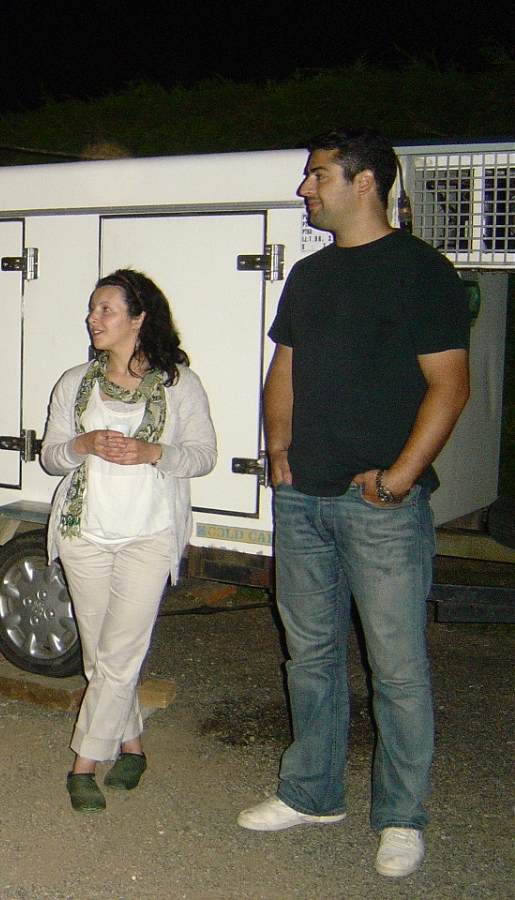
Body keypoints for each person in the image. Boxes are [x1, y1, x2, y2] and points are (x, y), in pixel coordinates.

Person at [238, 128, 471, 879]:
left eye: (318, 175)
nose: (304, 189)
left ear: (365, 180)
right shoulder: (310, 276)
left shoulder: (422, 272)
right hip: (304, 499)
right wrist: (279, 454)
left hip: (381, 508)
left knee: (396, 668)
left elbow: (449, 384)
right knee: (309, 655)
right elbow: (284, 369)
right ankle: (311, 793)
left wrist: (400, 476)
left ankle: (401, 816)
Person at [41, 270, 216, 813]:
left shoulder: (180, 384)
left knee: (120, 655)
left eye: (105, 310)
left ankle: (84, 763)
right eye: (92, 309)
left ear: (139, 319)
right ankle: (133, 746)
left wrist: (153, 452)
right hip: (83, 534)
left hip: (149, 536)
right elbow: (51, 457)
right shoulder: (74, 382)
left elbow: (204, 455)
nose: (92, 319)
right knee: (101, 657)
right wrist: (83, 444)